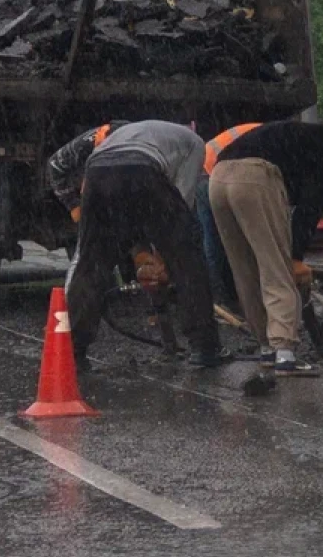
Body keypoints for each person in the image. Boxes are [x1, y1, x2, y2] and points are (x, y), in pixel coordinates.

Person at [210, 116, 323, 375]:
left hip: (217, 178)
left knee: (245, 269)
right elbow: (310, 206)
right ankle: (284, 354)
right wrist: (295, 257)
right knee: (277, 268)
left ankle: (266, 348)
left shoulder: (298, 137)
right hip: (253, 176)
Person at [65, 119, 224, 371]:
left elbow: (132, 215)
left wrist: (143, 255)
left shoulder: (141, 132)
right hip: (140, 168)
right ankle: (205, 346)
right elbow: (182, 200)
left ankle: (73, 349)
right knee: (187, 255)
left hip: (97, 171)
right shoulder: (195, 144)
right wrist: (164, 260)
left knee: (92, 261)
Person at [198, 122, 260, 313]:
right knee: (221, 239)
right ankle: (228, 297)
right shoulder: (278, 142)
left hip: (206, 170)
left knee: (215, 239)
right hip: (211, 172)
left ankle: (221, 298)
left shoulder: (264, 132)